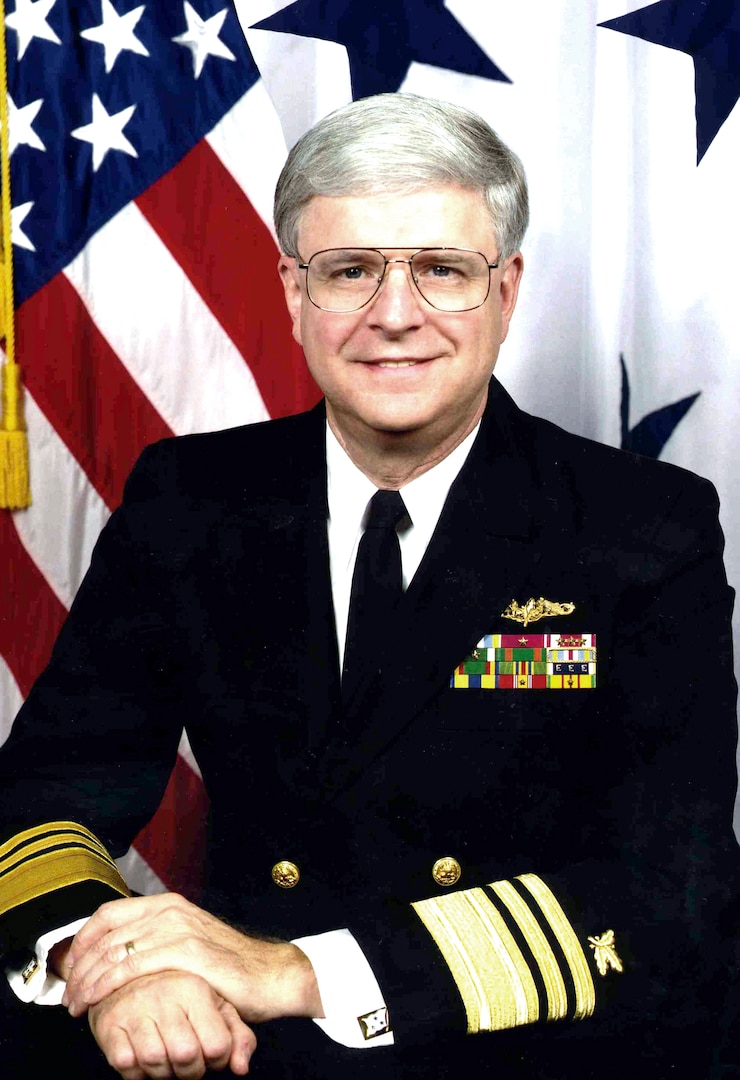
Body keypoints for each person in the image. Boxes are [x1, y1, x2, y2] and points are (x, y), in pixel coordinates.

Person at [0, 93, 737, 1080]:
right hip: (242, 1052)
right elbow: (48, 796)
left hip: (525, 1052)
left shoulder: (641, 527)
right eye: (349, 271)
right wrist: (119, 967)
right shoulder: (192, 503)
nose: (395, 317)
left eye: (441, 269)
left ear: (505, 290)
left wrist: (296, 970)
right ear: (293, 292)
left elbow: (669, 887)